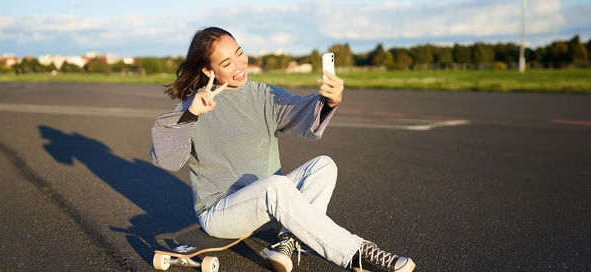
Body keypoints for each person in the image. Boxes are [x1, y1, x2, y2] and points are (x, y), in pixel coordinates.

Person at [150, 27, 415, 272]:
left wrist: (330, 100)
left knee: (324, 165)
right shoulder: (193, 106)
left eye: (239, 54)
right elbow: (166, 158)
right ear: (209, 71)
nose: (239, 65)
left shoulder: (261, 94)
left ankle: (285, 242)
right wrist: (192, 114)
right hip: (220, 212)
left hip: (266, 205)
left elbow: (300, 109)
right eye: (226, 63)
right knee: (275, 186)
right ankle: (356, 254)